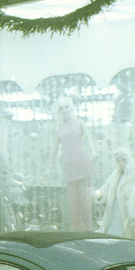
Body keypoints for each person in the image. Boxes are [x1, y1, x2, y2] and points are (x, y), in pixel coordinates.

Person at [50, 99, 94, 231]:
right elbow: (54, 148)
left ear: (71, 108)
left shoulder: (80, 123)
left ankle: (89, 230)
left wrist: (94, 152)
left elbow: (89, 139)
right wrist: (51, 165)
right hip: (69, 164)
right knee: (73, 201)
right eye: (61, 109)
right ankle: (76, 230)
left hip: (82, 161)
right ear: (58, 112)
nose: (65, 111)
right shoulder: (59, 128)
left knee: (85, 199)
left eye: (67, 107)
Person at [96, 145, 135, 240]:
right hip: (113, 212)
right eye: (118, 160)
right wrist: (100, 194)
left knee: (129, 236)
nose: (121, 163)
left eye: (123, 160)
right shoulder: (115, 175)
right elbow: (107, 188)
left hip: (126, 214)